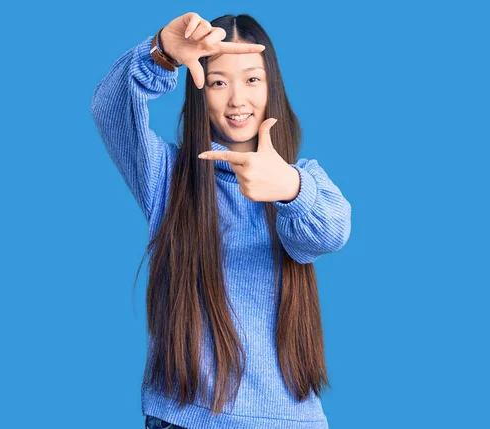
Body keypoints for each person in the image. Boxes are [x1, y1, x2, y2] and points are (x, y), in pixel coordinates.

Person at [90, 12, 352, 429]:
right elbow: (109, 109)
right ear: (200, 91)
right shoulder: (169, 176)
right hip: (185, 417)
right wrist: (159, 53)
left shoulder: (303, 182)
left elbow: (328, 234)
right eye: (218, 82)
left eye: (252, 79)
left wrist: (288, 186)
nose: (236, 100)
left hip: (289, 420)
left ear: (272, 89)